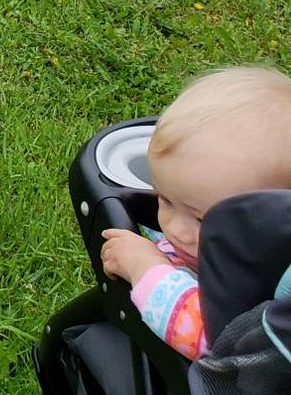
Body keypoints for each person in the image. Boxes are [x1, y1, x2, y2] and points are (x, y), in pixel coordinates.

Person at [98, 64, 291, 359]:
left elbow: (209, 338)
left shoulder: (257, 292)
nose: (174, 229)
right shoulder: (240, 246)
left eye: (203, 219)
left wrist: (145, 267)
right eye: (164, 199)